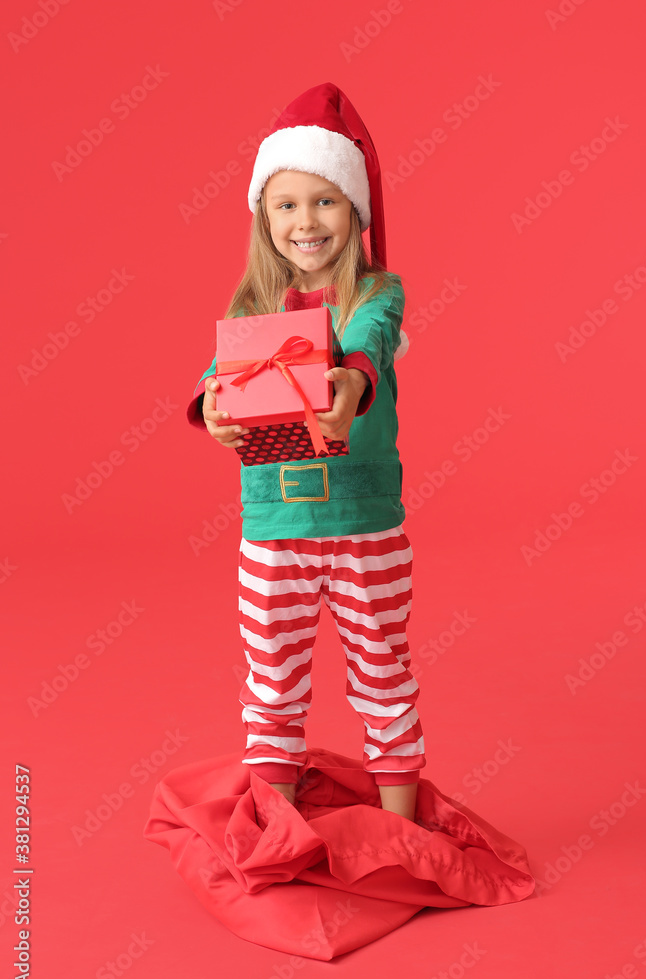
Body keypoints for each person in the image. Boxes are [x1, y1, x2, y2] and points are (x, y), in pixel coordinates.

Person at [186, 82, 425, 822]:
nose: (305, 221)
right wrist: (214, 409)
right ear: (264, 217)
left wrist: (352, 385)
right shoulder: (251, 310)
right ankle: (273, 824)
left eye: (323, 201)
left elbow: (368, 347)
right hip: (273, 531)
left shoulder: (377, 293)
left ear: (353, 211)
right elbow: (214, 379)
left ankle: (399, 826)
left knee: (383, 673)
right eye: (286, 204)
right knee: (272, 681)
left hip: (364, 528)